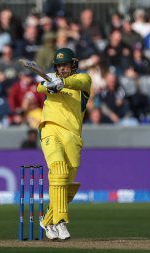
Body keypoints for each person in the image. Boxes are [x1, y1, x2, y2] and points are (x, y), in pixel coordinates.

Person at [37, 48, 92, 240]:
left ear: (73, 65)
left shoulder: (83, 80)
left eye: (66, 65)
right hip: (50, 128)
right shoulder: (51, 79)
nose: (63, 69)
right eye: (60, 66)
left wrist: (63, 83)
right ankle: (60, 222)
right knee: (58, 170)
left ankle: (47, 221)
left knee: (67, 184)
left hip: (73, 137)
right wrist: (51, 85)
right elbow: (40, 87)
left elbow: (81, 82)